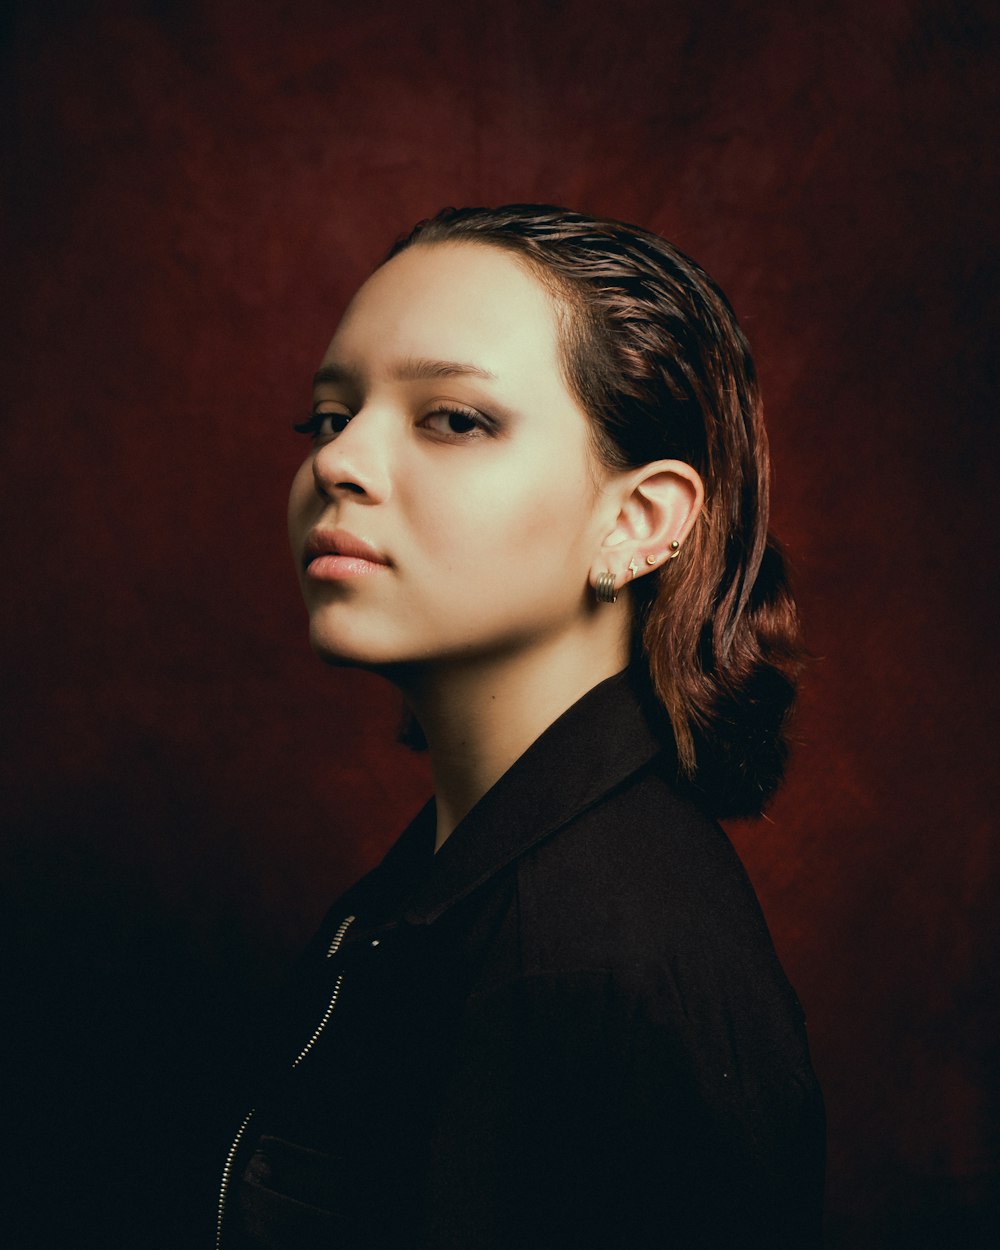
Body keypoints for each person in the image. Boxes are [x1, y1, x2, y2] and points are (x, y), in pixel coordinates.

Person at [216, 205, 825, 1248]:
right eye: (327, 416)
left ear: (637, 522)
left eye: (452, 418)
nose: (338, 462)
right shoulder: (447, 886)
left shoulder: (606, 961)